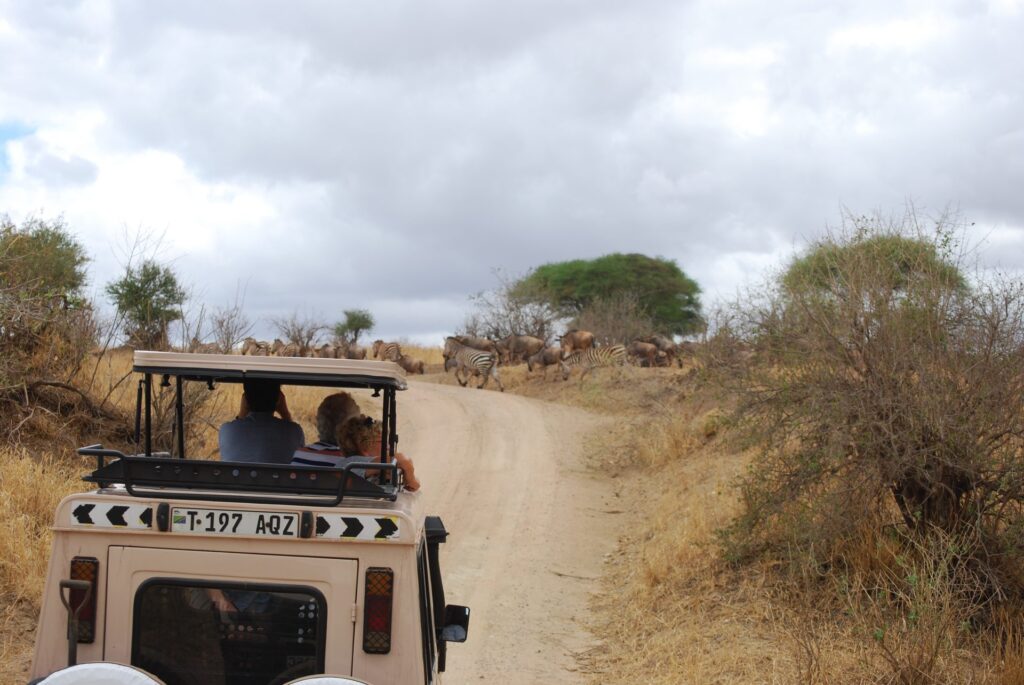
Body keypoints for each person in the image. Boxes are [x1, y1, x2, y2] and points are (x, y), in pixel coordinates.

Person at [219, 380, 304, 463]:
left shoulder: (227, 430)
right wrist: (285, 413)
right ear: (279, 399)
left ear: (245, 400)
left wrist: (243, 411)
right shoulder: (294, 431)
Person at [336, 414, 420, 492]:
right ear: (362, 445)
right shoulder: (349, 463)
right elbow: (401, 459)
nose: (388, 446)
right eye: (381, 441)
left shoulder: (372, 466)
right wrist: (411, 480)